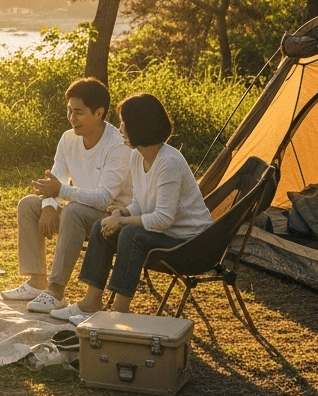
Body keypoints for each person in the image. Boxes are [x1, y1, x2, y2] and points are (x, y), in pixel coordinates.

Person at [49, 93, 213, 325]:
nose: (120, 128)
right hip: (165, 235)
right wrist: (121, 213)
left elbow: (163, 219)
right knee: (101, 226)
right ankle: (91, 302)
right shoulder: (137, 157)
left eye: (124, 122)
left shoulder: (168, 162)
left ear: (139, 125)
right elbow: (140, 202)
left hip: (190, 243)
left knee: (130, 233)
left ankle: (119, 310)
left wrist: (124, 222)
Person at [1, 77, 133, 313]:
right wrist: (50, 205)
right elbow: (56, 177)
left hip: (113, 218)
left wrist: (60, 192)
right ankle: (36, 282)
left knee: (72, 209)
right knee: (29, 205)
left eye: (79, 112)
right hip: (78, 210)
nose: (72, 117)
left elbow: (104, 198)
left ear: (99, 112)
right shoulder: (68, 138)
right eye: (69, 111)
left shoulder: (117, 145)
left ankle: (55, 291)